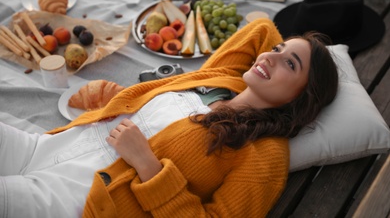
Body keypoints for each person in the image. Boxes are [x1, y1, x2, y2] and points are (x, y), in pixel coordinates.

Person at [0, 18, 338, 218]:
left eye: (290, 64)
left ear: (302, 98)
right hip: (46, 147)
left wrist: (150, 168)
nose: (270, 56)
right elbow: (261, 29)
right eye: (278, 50)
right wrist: (289, 54)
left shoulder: (266, 156)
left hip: (79, 199)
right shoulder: (223, 81)